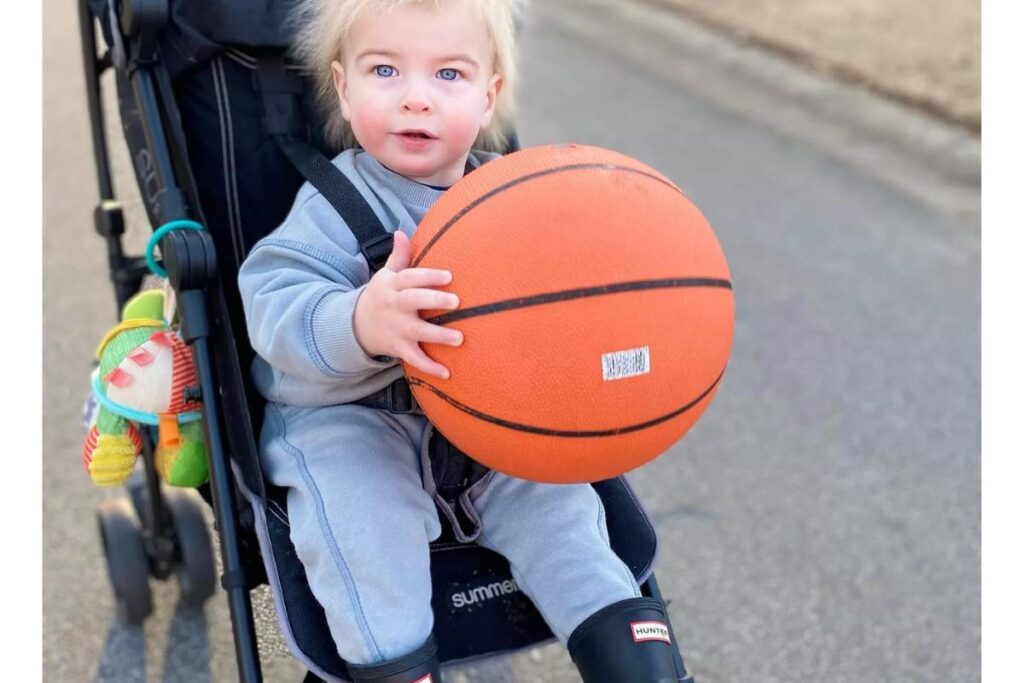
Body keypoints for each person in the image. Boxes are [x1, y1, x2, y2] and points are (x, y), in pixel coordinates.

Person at [238, 1, 681, 681]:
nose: (415, 97)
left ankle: (632, 654)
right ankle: (397, 665)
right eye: (385, 70)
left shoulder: (514, 201)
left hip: (490, 428)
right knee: (362, 527)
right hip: (354, 421)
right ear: (345, 89)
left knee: (562, 513)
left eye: (448, 74)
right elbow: (272, 301)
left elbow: (566, 299)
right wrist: (358, 321)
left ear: (488, 96)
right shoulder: (332, 205)